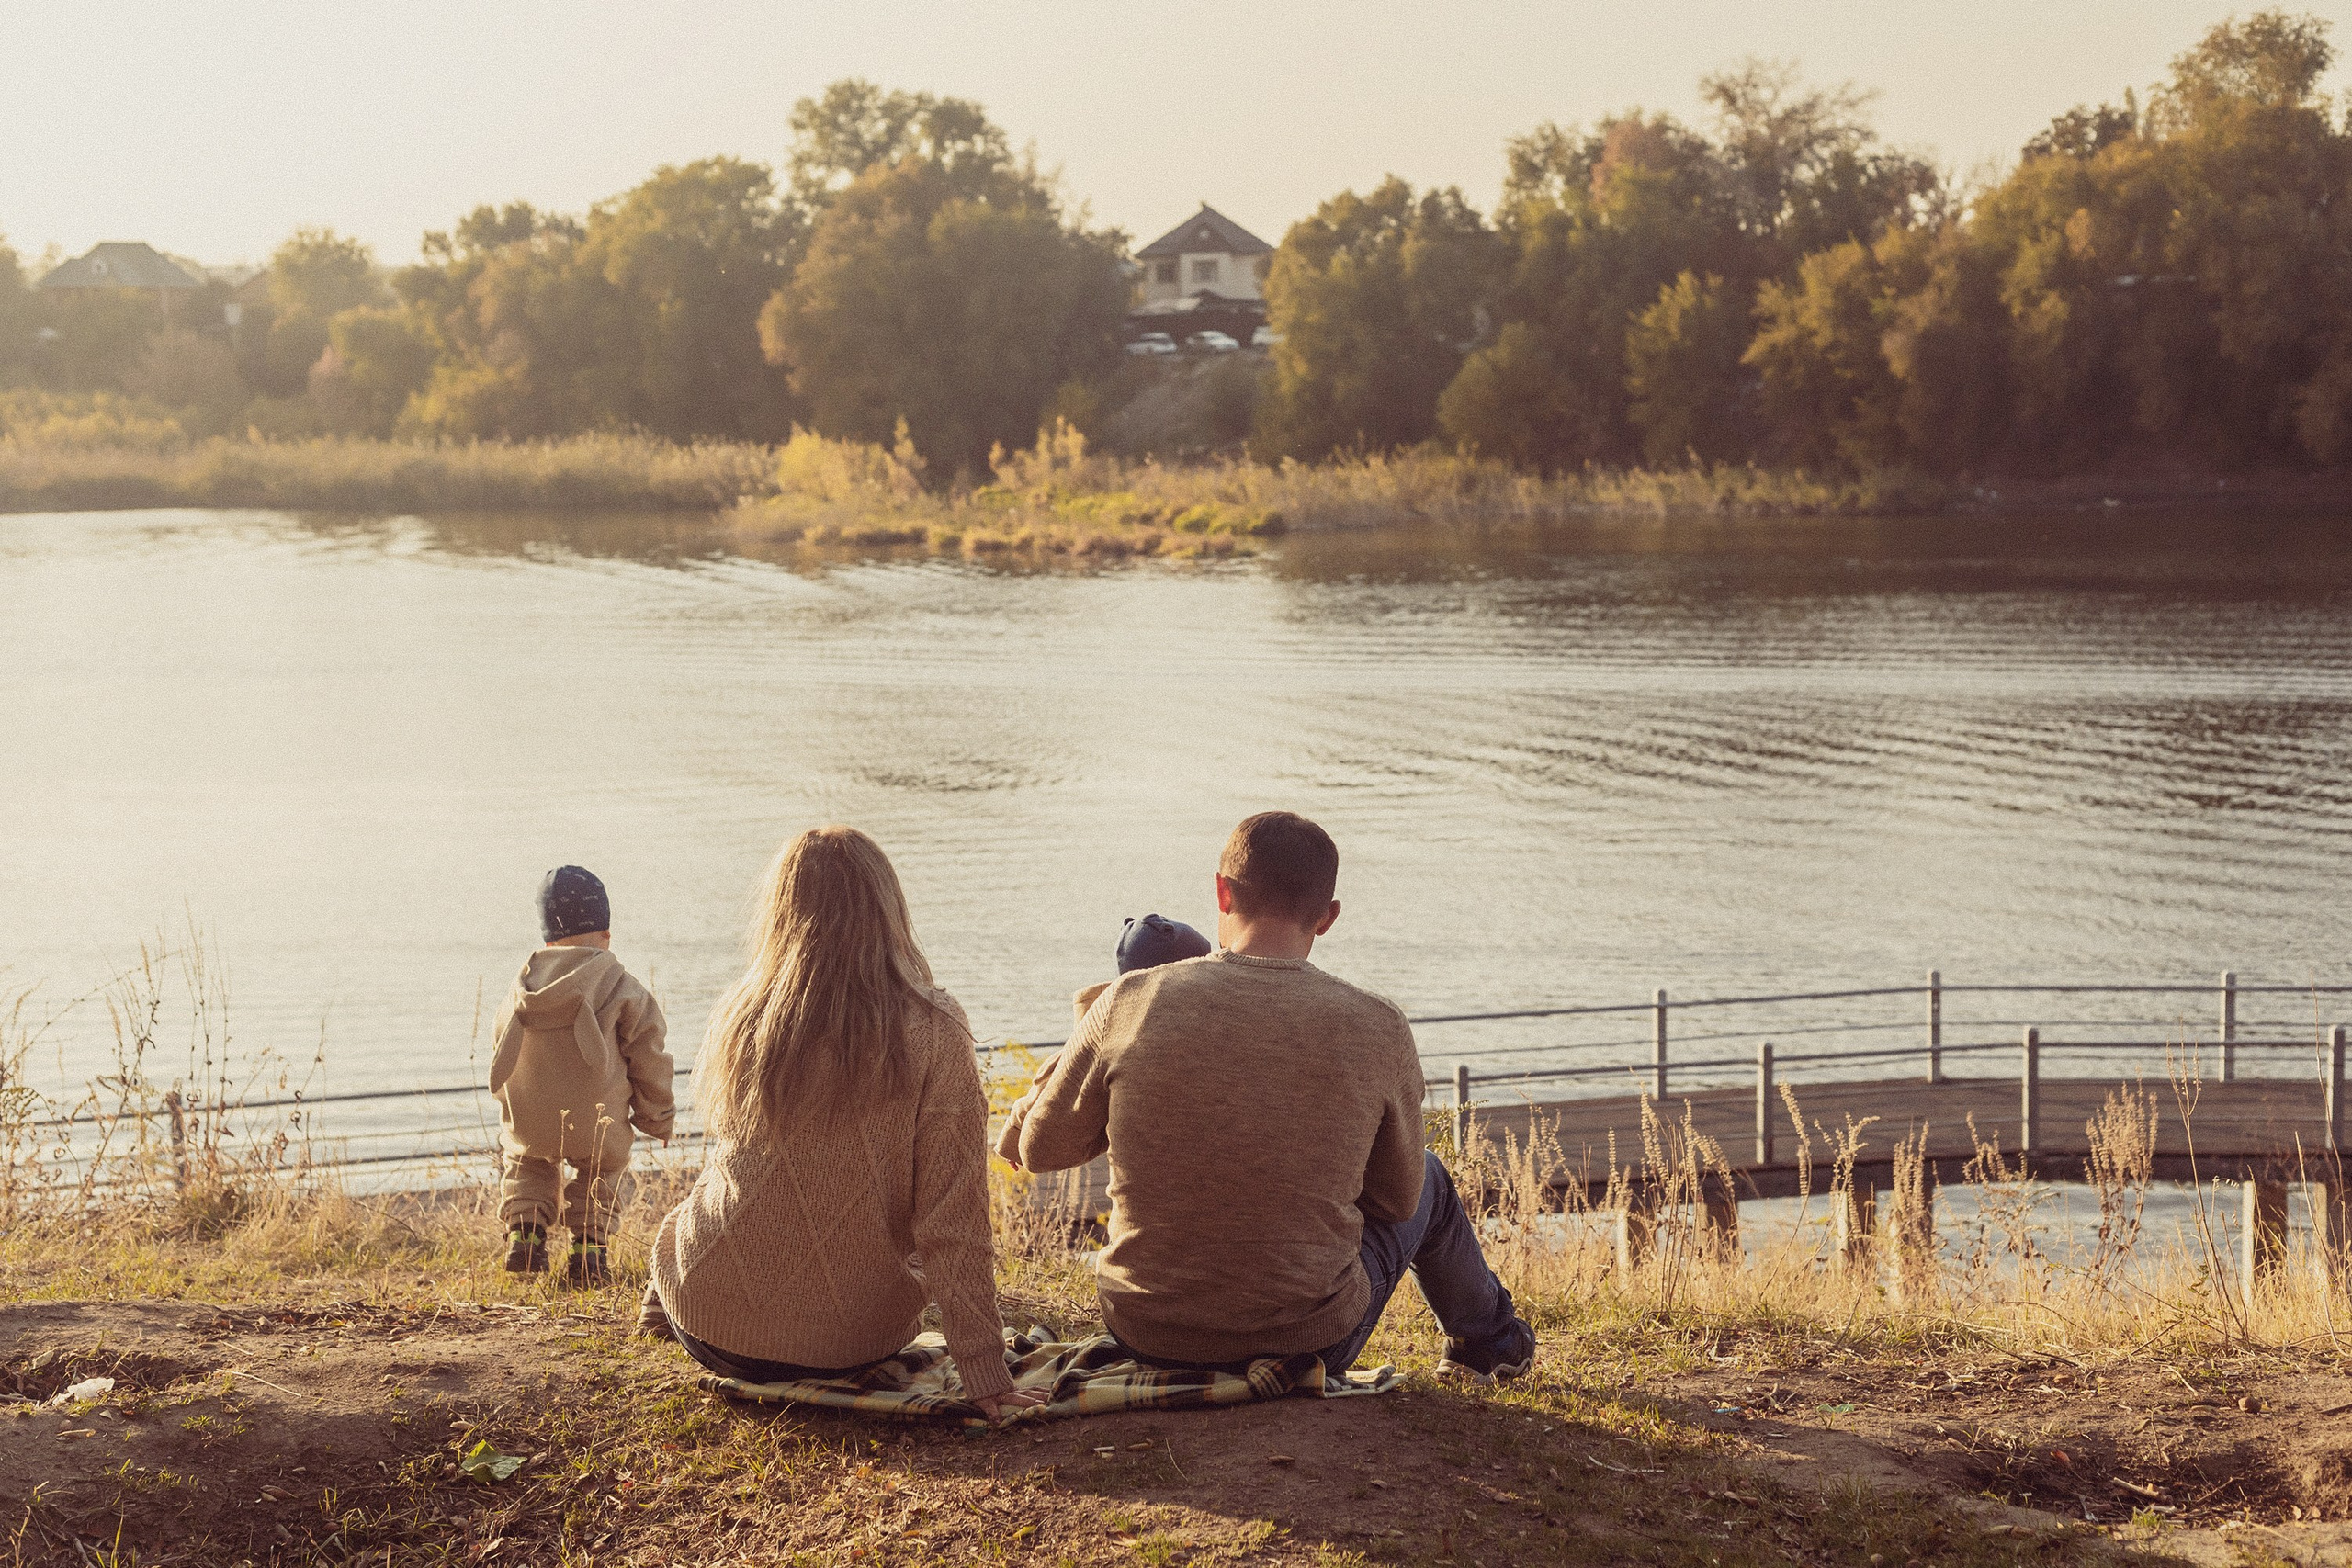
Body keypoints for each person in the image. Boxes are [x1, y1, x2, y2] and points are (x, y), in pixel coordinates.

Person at [999, 811, 1534, 1382]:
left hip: (1147, 1332)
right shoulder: (1378, 1025)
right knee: (1429, 1174)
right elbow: (1400, 1201)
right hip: (1310, 1342)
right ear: (1327, 917)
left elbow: (1038, 1149)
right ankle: (1490, 1344)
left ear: (1222, 892)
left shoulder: (1128, 1001)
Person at [644, 828, 1043, 1422]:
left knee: (702, 1203)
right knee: (900, 1256)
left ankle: (659, 1302)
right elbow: (953, 1217)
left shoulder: (742, 1012)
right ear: (888, 909)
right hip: (848, 1346)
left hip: (708, 1327)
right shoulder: (935, 1027)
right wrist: (984, 1371)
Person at [490, 864, 675, 1284]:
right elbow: (650, 1057)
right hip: (598, 1120)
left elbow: (502, 1048)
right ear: (606, 934)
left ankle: (525, 1234)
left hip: (532, 1116)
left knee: (526, 1160)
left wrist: (511, 1110)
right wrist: (657, 1118)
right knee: (603, 1170)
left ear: (547, 939)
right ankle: (589, 1252)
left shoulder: (520, 988)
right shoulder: (623, 987)